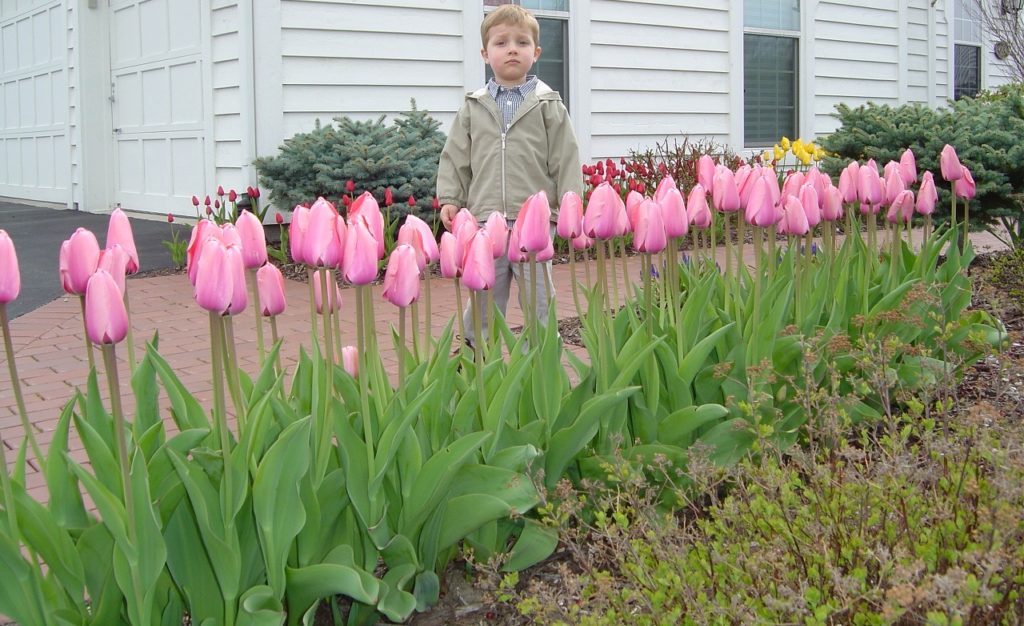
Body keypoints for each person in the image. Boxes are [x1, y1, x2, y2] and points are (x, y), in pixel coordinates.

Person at [436, 3, 583, 346]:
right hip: (486, 221)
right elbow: (455, 156)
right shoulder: (474, 105)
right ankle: (479, 363)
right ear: (486, 54)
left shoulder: (549, 105)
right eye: (501, 43)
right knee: (484, 298)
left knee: (539, 300)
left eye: (521, 42)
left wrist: (567, 209)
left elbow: (566, 158)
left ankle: (542, 363)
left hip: (533, 223)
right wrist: (451, 198)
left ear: (536, 52)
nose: (512, 49)